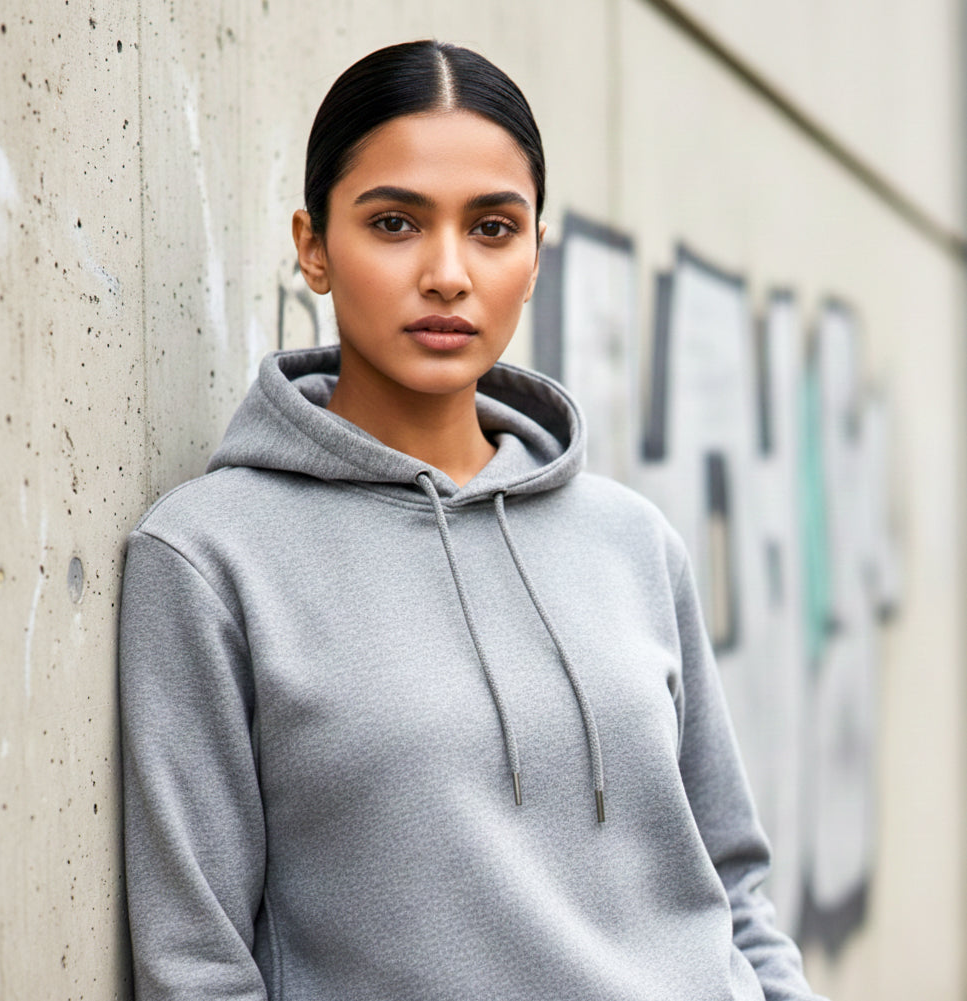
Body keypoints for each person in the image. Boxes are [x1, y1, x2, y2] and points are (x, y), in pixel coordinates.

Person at [120, 39, 826, 1001]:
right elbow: (197, 962)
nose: (448, 273)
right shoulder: (208, 558)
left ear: (536, 253)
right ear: (313, 245)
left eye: (493, 228)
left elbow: (732, 881)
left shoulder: (630, 541)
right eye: (396, 222)